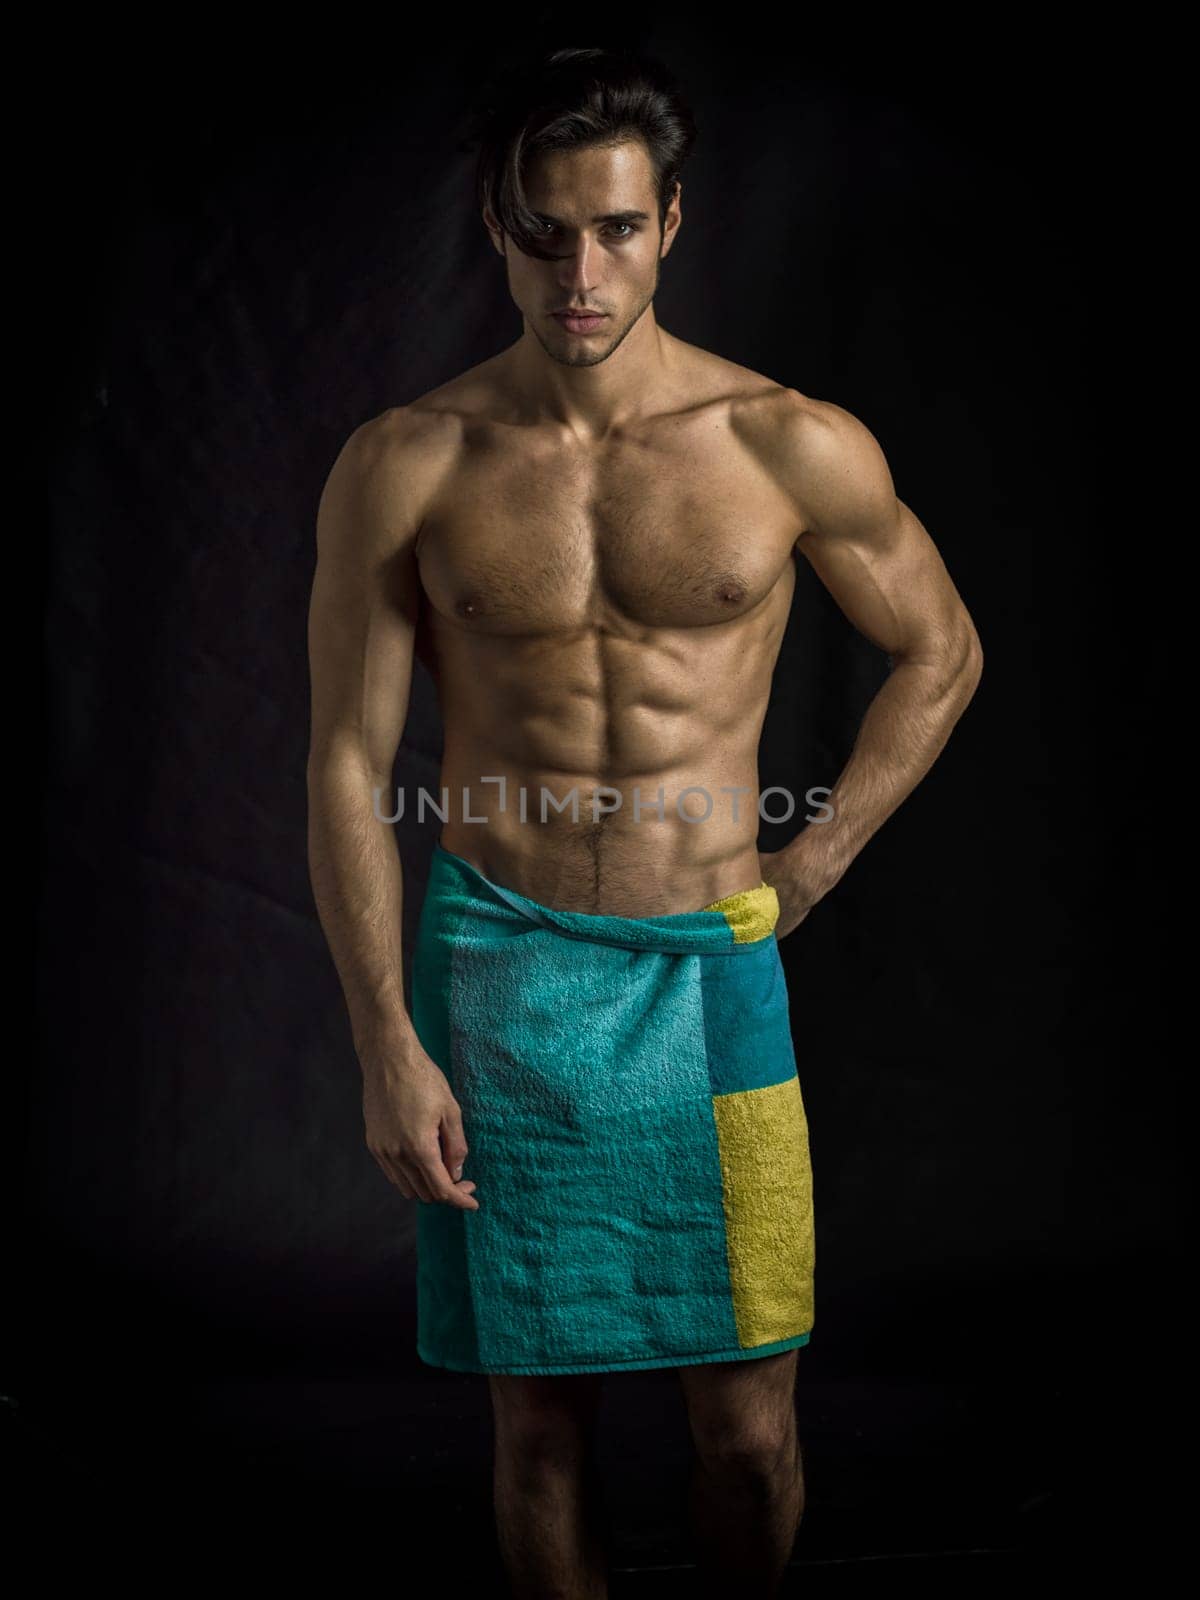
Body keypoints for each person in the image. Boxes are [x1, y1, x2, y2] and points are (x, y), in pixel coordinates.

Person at [306, 44, 983, 1600]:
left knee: (747, 1428)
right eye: (546, 230)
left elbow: (942, 652)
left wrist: (807, 867)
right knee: (537, 1430)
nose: (581, 269)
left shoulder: (785, 442)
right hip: (500, 970)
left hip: (708, 968)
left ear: (670, 220)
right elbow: (349, 760)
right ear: (497, 224)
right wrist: (381, 1045)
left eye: (615, 227)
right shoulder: (407, 464)